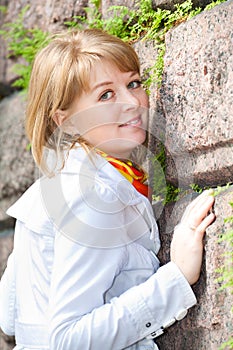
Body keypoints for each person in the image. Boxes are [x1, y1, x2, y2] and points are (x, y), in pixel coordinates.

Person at [0, 28, 215, 350]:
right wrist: (178, 276)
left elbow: (9, 316)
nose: (133, 103)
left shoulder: (51, 187)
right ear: (66, 121)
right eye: (105, 95)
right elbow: (68, 340)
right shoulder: (91, 197)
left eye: (133, 83)